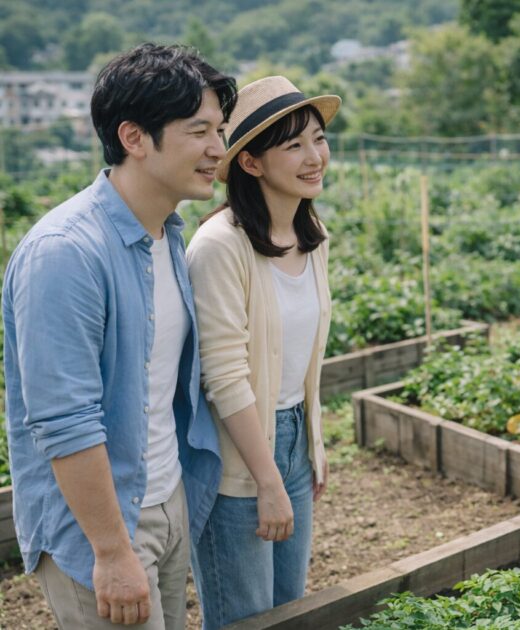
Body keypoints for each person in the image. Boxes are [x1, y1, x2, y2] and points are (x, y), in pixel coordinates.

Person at [2, 44, 236, 628]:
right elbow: (64, 420)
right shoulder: (66, 254)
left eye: (221, 130)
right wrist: (110, 551)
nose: (218, 149)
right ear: (134, 137)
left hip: (165, 497)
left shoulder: (166, 234)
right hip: (104, 526)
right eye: (200, 130)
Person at [186, 76, 340, 628]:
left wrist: (310, 446)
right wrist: (268, 480)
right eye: (294, 145)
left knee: (288, 610)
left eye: (318, 139)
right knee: (242, 617)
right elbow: (223, 376)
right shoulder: (219, 247)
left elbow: (304, 360)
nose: (314, 157)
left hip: (292, 442)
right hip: (239, 457)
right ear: (250, 163)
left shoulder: (312, 232)